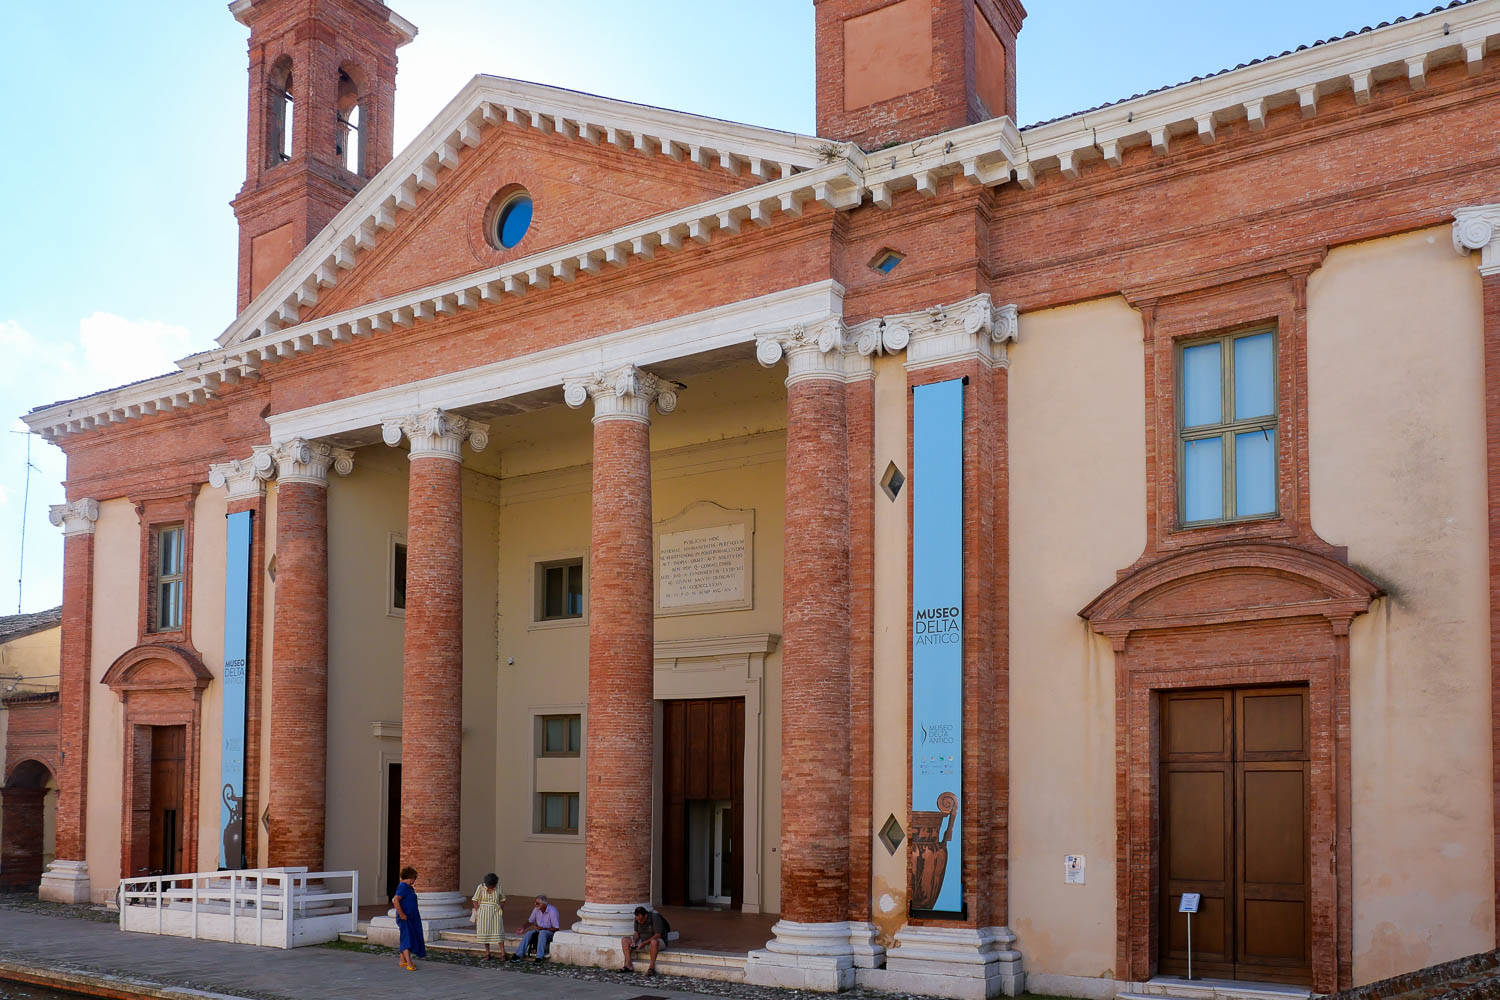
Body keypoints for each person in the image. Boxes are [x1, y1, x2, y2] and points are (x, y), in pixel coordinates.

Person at [392, 866, 425, 971]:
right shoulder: (403, 887)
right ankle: (409, 963)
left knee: (409, 936)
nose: (415, 880)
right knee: (407, 938)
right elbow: (396, 900)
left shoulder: (410, 888)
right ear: (410, 877)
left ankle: (402, 960)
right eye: (414, 878)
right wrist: (401, 914)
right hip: (404, 917)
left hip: (412, 917)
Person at [509, 894, 560, 962]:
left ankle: (539, 957)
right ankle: (518, 955)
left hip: (550, 932)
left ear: (544, 904)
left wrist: (542, 929)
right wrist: (523, 927)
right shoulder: (536, 909)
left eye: (538, 903)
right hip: (540, 930)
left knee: (542, 933)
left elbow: (556, 928)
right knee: (528, 933)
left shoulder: (552, 911)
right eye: (535, 902)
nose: (535, 904)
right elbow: (530, 921)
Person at [620, 905, 670, 974]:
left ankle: (651, 967)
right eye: (637, 919)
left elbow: (658, 935)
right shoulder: (637, 919)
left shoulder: (655, 917)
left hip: (658, 942)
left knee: (654, 942)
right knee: (624, 940)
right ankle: (628, 964)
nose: (639, 921)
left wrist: (643, 944)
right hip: (643, 941)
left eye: (640, 919)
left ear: (646, 915)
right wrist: (634, 941)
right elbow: (636, 933)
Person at [470, 872, 506, 960]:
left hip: (495, 911)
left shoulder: (498, 887)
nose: (491, 887)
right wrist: (478, 911)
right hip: (483, 912)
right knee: (485, 932)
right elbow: (474, 900)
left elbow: (503, 899)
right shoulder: (480, 887)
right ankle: (487, 953)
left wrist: (500, 908)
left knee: (498, 931)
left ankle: (503, 954)